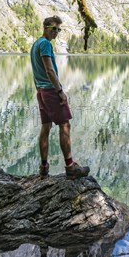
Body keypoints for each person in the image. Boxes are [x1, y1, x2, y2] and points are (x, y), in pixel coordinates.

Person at [30, 15, 90, 180]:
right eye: (53, 29)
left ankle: (43, 168)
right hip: (50, 91)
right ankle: (70, 167)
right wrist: (59, 91)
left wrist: (39, 90)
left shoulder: (35, 44)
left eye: (58, 29)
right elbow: (49, 70)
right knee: (64, 125)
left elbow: (36, 71)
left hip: (41, 91)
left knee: (46, 127)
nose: (56, 32)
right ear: (45, 27)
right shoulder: (45, 44)